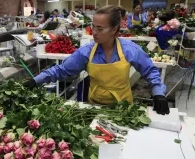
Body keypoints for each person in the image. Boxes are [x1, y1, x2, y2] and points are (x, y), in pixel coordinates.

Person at [24, 5, 169, 115]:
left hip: (124, 109)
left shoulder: (129, 50)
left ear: (113, 29)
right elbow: (62, 70)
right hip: (94, 109)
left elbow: (150, 71)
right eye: (93, 27)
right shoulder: (86, 52)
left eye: (100, 29)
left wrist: (158, 94)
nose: (94, 32)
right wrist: (36, 80)